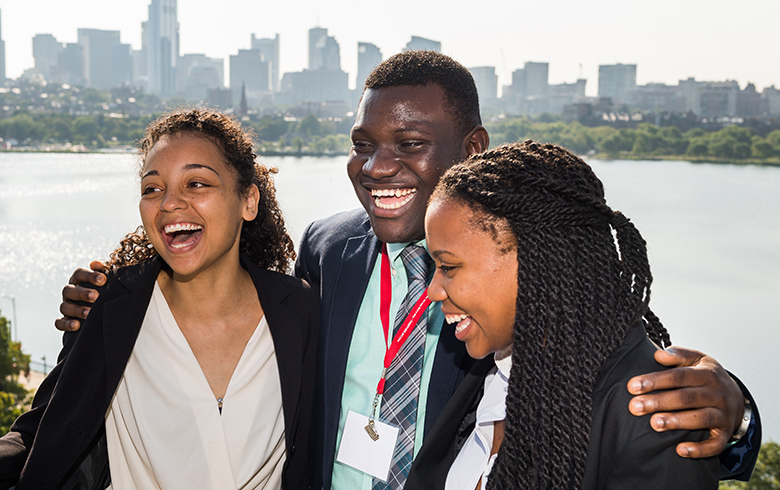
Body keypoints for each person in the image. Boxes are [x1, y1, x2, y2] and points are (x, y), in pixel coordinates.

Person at [55, 51, 759, 489]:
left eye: (410, 143)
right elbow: (231, 305)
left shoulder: (531, 280)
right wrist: (116, 295)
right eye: (363, 144)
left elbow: (618, 383)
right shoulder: (328, 249)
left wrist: (737, 416)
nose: (376, 166)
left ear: (474, 147)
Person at [407, 140, 760, 489]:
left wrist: (740, 416)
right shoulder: (489, 366)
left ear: (538, 262)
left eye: (448, 267)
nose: (433, 291)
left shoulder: (651, 417)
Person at [0, 109, 319, 489]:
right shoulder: (109, 311)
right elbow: (42, 430)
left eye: (197, 184)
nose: (169, 202)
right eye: (152, 188)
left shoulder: (300, 314)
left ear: (248, 200)